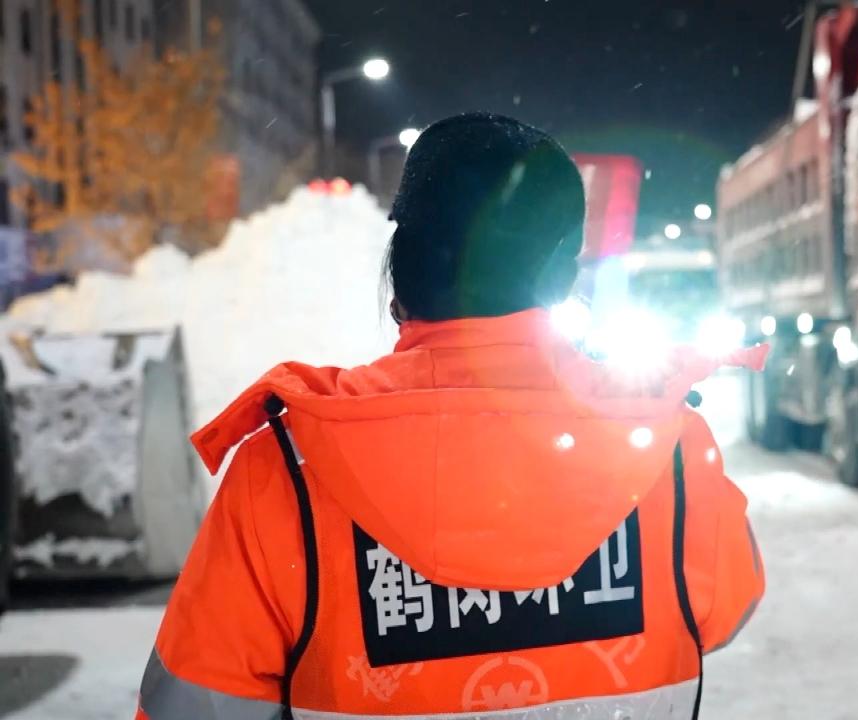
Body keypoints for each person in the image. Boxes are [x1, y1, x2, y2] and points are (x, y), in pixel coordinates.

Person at [135, 113, 765, 720]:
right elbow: (725, 608)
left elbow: (199, 701)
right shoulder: (665, 446)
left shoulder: (286, 470)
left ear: (401, 272)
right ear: (563, 273)